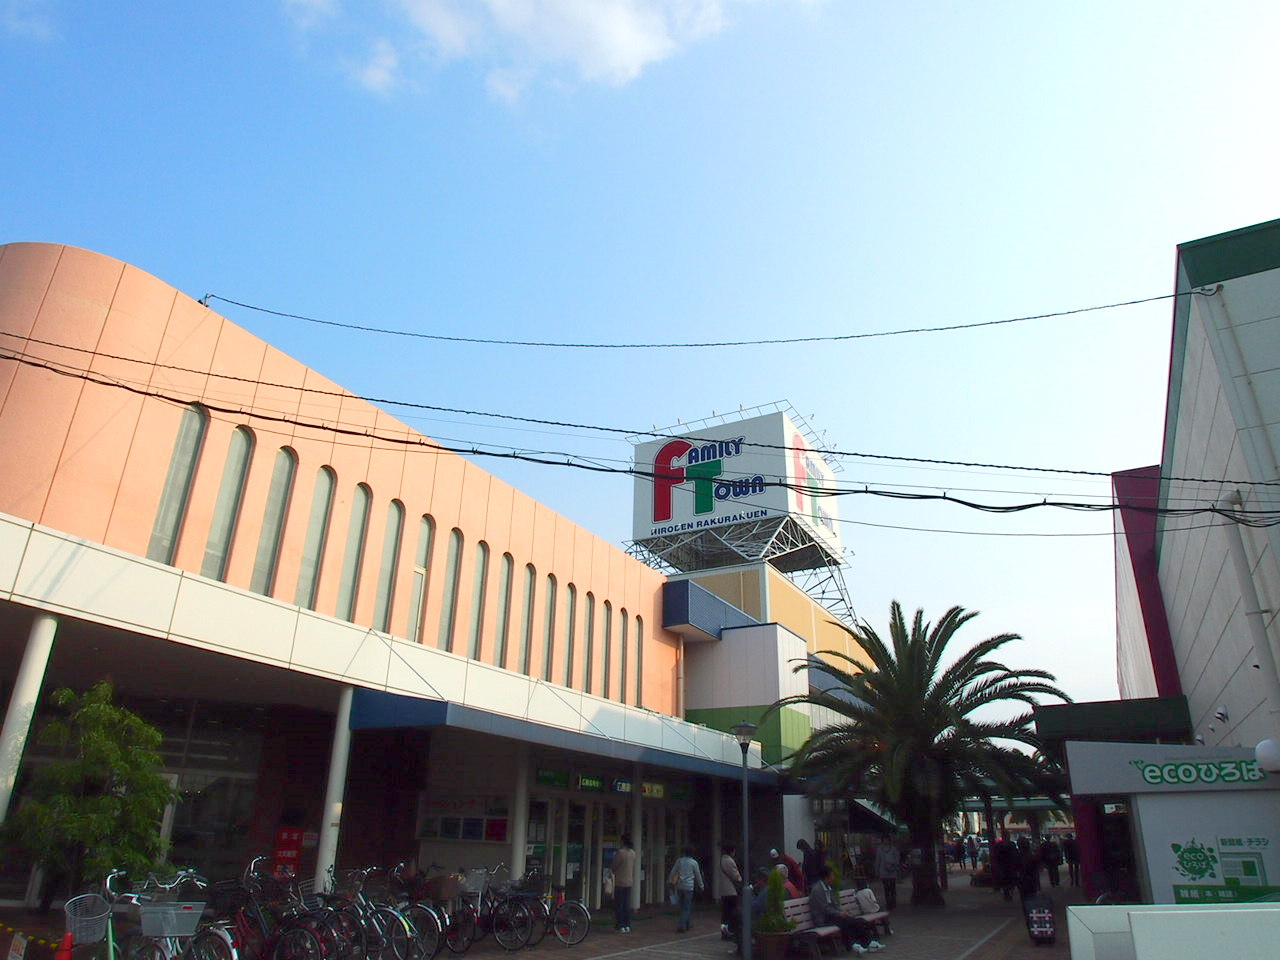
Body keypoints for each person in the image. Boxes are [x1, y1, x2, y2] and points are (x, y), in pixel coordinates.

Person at [808, 865, 883, 955]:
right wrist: (838, 913)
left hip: (831, 916)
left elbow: (834, 904)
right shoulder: (817, 890)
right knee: (843, 921)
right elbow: (825, 909)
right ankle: (853, 945)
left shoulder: (827, 887)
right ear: (826, 877)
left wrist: (841, 912)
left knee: (853, 920)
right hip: (822, 919)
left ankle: (868, 943)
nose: (833, 878)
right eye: (832, 875)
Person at [668, 843, 705, 933]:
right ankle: (682, 925)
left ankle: (687, 923)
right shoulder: (694, 863)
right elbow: (698, 875)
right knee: (687, 906)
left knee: (682, 906)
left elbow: (673, 872)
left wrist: (670, 881)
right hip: (689, 887)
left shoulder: (679, 861)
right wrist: (701, 886)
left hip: (680, 886)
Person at [610, 835, 636, 933]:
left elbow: (614, 866)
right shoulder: (633, 853)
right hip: (629, 882)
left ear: (622, 842)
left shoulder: (620, 853)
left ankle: (620, 925)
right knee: (626, 904)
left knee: (619, 904)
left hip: (619, 882)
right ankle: (627, 925)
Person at [719, 842, 742, 940]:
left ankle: (724, 932)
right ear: (732, 851)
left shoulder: (722, 859)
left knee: (725, 913)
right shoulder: (729, 861)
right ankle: (730, 932)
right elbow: (736, 876)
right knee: (733, 912)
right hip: (731, 890)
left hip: (724, 890)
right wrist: (740, 880)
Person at [873, 835, 900, 911]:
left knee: (892, 887)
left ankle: (893, 902)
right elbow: (877, 860)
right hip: (883, 871)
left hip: (892, 871)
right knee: (886, 888)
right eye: (884, 840)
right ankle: (889, 903)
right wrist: (877, 871)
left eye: (887, 840)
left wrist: (896, 867)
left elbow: (897, 859)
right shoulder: (880, 849)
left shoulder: (894, 849)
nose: (886, 841)